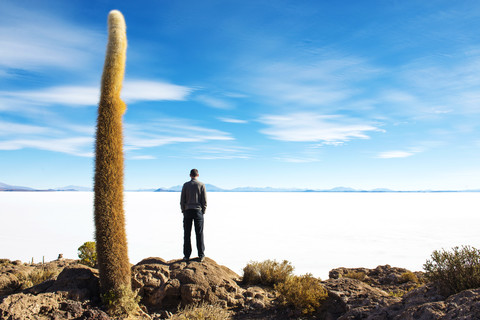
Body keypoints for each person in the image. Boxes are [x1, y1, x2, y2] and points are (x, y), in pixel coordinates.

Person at [180, 168, 207, 262]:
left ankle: (187, 255)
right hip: (198, 211)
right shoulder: (201, 185)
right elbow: (204, 200)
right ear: (198, 175)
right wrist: (203, 211)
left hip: (187, 211)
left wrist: (183, 210)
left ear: (190, 175)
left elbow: (182, 199)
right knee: (199, 233)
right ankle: (201, 255)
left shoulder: (186, 185)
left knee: (187, 233)